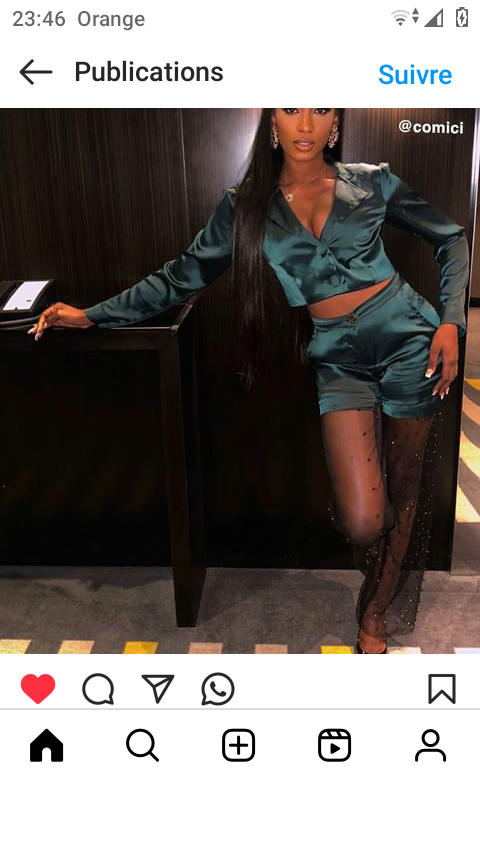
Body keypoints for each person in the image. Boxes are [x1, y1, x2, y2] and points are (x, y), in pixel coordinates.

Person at [28, 108, 469, 653]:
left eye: (320, 109)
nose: (305, 123)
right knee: (362, 519)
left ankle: (375, 612)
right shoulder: (246, 205)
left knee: (405, 486)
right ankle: (377, 569)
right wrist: (93, 315)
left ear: (335, 123)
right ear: (272, 122)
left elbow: (451, 238)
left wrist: (451, 320)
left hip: (412, 343)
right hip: (339, 358)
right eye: (290, 108)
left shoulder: (373, 182)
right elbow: (181, 275)